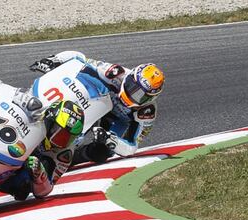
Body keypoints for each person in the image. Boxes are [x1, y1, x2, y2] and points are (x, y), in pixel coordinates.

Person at [29, 51, 165, 163]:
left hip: (117, 120)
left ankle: (67, 160)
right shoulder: (115, 73)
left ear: (151, 98)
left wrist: (110, 139)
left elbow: (132, 147)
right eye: (132, 87)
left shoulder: (147, 113)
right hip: (98, 101)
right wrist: (54, 60)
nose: (133, 94)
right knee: (71, 117)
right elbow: (80, 58)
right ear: (130, 77)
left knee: (102, 153)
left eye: (142, 96)